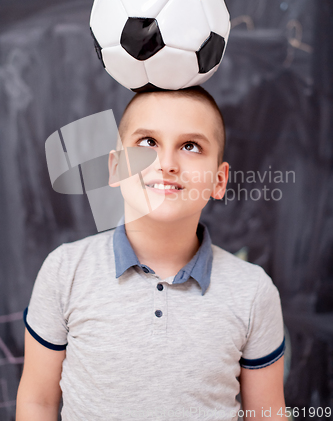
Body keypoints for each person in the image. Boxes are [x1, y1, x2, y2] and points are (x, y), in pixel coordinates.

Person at [16, 86, 286, 421]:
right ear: (115, 168)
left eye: (190, 146)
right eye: (148, 143)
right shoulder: (65, 271)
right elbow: (37, 402)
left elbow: (267, 414)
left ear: (219, 180)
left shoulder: (253, 292)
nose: (167, 164)